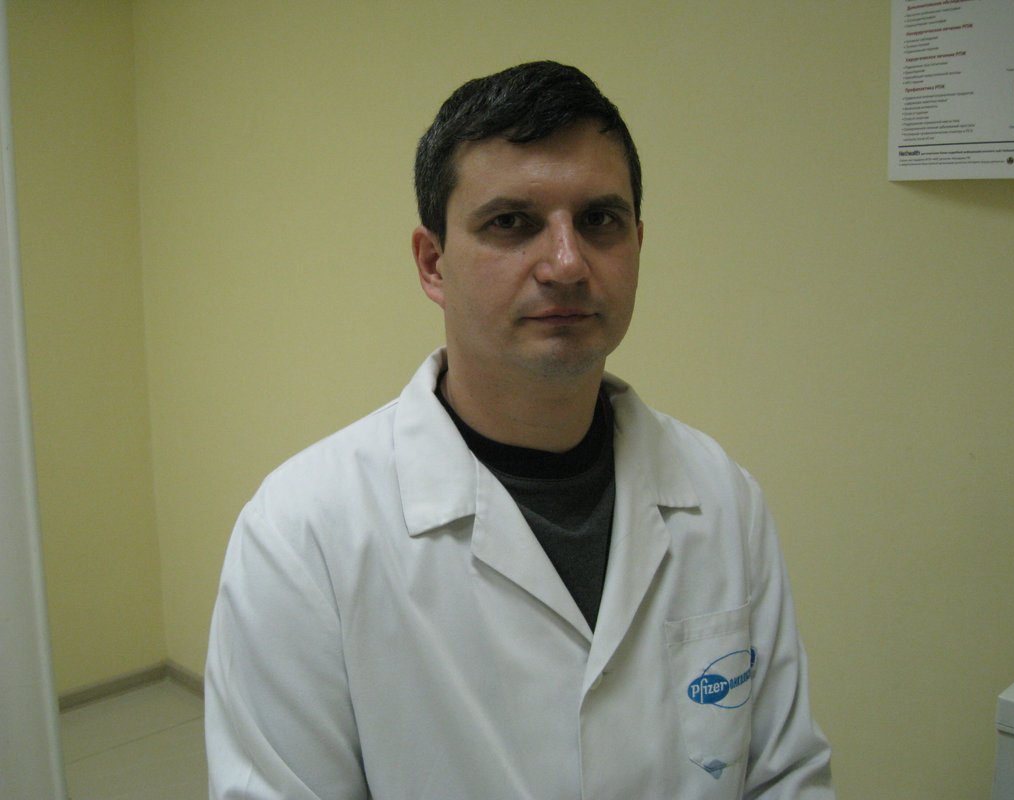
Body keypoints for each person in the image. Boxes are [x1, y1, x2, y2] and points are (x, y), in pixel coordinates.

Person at [205, 60, 834, 799]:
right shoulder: (302, 532)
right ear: (433, 264)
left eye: (599, 220)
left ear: (636, 243)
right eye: (511, 223)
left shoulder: (722, 498)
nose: (566, 264)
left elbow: (784, 776)